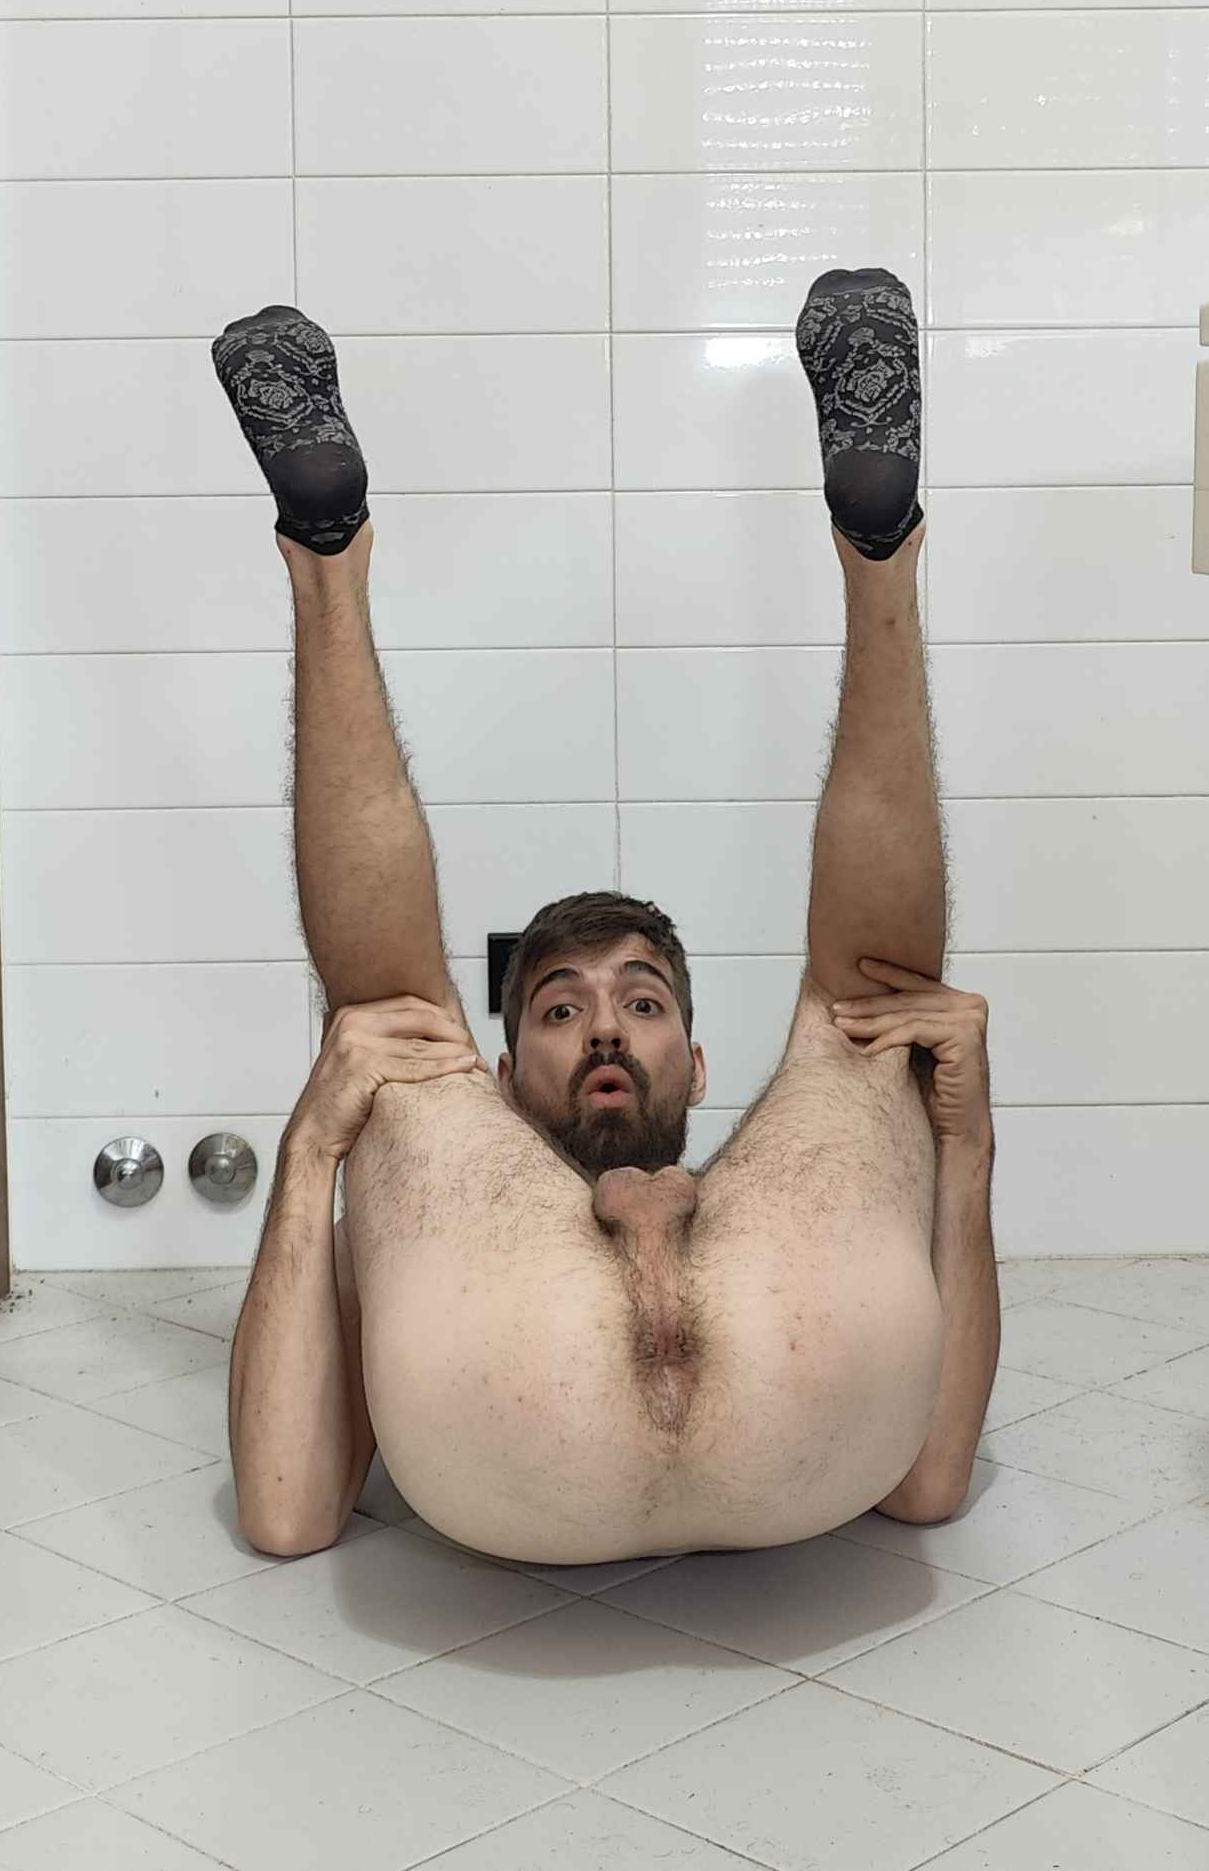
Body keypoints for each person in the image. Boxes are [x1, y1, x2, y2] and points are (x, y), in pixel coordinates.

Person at [222, 269, 1001, 1568]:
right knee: (395, 1031)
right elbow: (289, 1510)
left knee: (878, 1022)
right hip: (672, 1411)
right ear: (504, 1073)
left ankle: (332, 552)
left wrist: (964, 1146)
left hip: (782, 1381)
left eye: (642, 1001)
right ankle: (329, 548)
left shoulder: (742, 1188)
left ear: (696, 1064)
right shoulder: (408, 1234)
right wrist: (314, 1149)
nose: (601, 1028)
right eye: (557, 1006)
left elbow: (927, 1479)